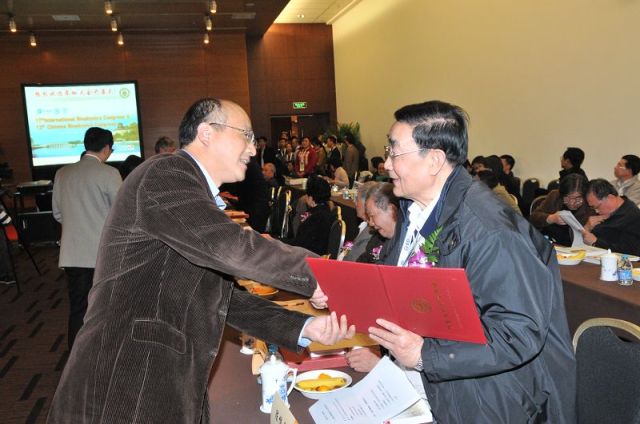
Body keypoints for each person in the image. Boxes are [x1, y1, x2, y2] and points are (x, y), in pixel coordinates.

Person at [47, 98, 354, 424]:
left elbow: (223, 299)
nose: (253, 149)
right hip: (128, 379)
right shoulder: (165, 174)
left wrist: (304, 326)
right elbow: (232, 246)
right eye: (246, 136)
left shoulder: (193, 195)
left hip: (159, 380)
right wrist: (318, 274)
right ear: (207, 133)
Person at [368, 100, 575, 423]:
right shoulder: (412, 208)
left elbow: (518, 333)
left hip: (484, 399)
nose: (387, 164)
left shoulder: (489, 229)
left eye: (394, 153)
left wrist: (425, 356)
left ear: (434, 160)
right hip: (428, 387)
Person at [52, 127, 122, 350]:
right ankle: (103, 352)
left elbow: (57, 214)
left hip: (73, 254)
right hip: (102, 253)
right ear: (107, 148)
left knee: (78, 308)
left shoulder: (62, 173)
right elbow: (121, 212)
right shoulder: (109, 173)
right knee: (105, 307)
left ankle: (76, 355)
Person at [530, 174, 595, 246]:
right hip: (547, 242)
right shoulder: (555, 196)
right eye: (567, 197)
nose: (571, 202)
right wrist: (550, 218)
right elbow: (533, 217)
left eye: (578, 198)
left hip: (572, 247)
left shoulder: (590, 206)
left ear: (585, 196)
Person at [582, 178, 640, 255]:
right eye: (593, 207)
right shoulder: (606, 212)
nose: (596, 211)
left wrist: (596, 242)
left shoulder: (633, 217)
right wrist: (587, 228)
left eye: (597, 207)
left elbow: (630, 252)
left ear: (610, 198)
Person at [284, 176, 335, 256]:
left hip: (308, 256)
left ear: (311, 198)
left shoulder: (315, 217)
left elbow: (299, 244)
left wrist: (275, 240)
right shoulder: (326, 211)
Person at [342, 181, 377, 261]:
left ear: (366, 204)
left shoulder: (370, 234)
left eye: (357, 199)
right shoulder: (365, 225)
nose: (355, 203)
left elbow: (353, 262)